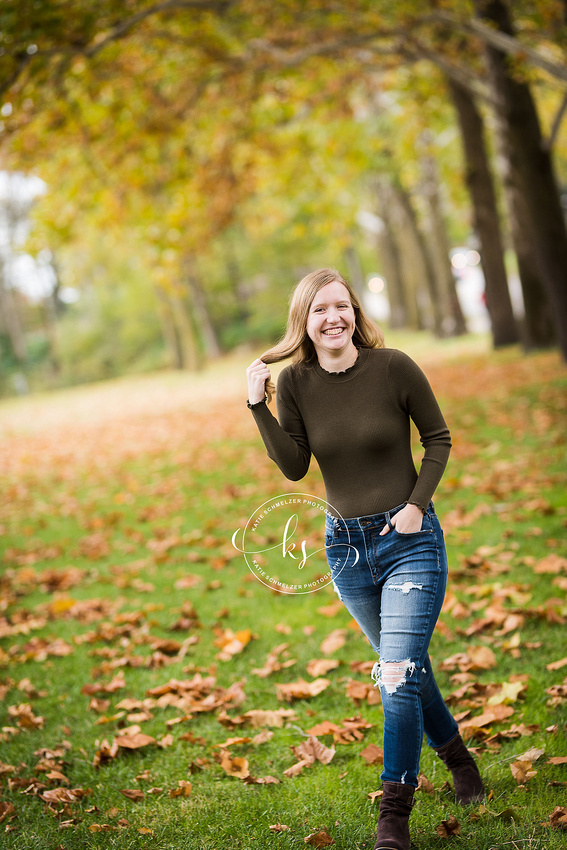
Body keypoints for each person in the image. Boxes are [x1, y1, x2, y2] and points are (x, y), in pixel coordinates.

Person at [246, 268, 484, 850]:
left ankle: (394, 817)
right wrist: (259, 406)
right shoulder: (297, 383)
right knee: (404, 670)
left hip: (410, 541)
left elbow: (439, 439)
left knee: (396, 675)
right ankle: (458, 759)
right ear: (303, 321)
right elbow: (295, 466)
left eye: (342, 306)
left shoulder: (394, 367)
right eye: (319, 309)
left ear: (355, 312)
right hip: (346, 551)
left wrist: (414, 505)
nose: (333, 317)